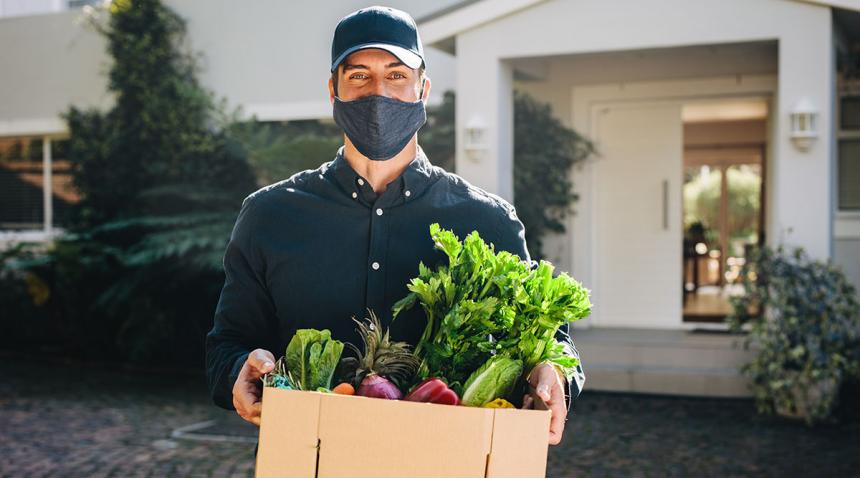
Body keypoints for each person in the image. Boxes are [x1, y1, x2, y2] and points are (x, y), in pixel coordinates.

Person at [205, 5, 584, 446]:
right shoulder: (270, 216)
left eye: (397, 75)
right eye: (359, 75)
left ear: (423, 88)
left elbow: (552, 344)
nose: (378, 93)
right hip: (308, 456)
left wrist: (551, 372)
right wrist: (241, 370)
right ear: (334, 90)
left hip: (448, 461)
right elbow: (226, 345)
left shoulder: (488, 222)